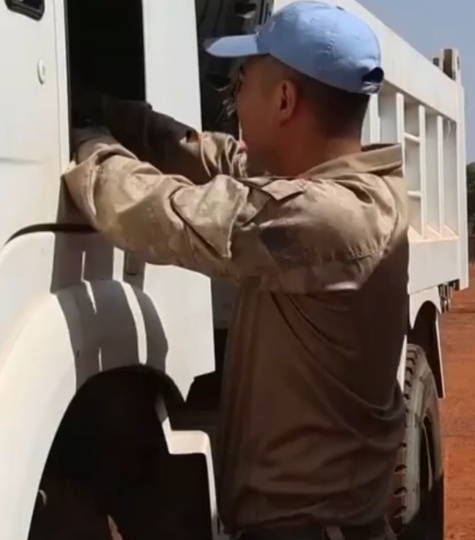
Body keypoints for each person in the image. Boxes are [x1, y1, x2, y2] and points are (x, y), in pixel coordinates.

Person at [62, 2, 408, 539]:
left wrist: (85, 144)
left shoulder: (323, 219)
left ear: (286, 100)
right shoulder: (352, 191)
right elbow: (221, 159)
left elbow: (167, 214)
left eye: (240, 83)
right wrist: (120, 114)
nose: (233, 100)